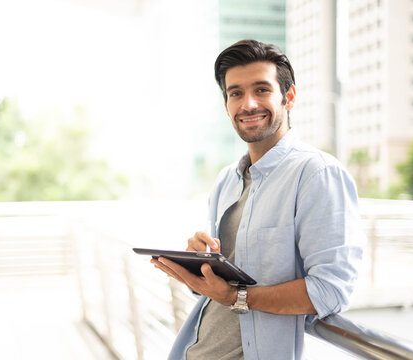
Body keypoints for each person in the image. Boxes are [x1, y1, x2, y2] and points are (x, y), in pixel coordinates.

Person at [151, 39, 366, 360]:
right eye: (236, 93)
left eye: (262, 90)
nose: (248, 104)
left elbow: (330, 291)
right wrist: (200, 270)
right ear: (226, 104)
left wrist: (236, 296)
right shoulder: (227, 179)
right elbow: (222, 289)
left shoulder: (317, 174)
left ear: (288, 96)